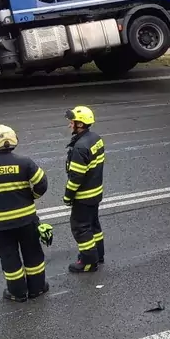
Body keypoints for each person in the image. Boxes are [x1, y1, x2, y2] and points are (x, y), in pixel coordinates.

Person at [0, 125, 49, 302]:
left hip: (0, 224)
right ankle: (37, 289)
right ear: (14, 141)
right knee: (33, 253)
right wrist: (31, 197)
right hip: (27, 220)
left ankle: (17, 292)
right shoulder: (25, 162)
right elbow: (41, 184)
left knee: (9, 256)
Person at [63, 106, 106, 273]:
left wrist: (68, 196)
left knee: (80, 227)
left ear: (80, 124)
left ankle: (88, 262)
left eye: (72, 122)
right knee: (93, 225)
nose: (69, 125)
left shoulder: (80, 147)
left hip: (83, 196)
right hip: (95, 192)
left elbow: (75, 178)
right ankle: (98, 255)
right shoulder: (96, 138)